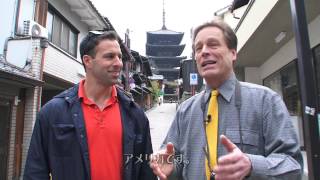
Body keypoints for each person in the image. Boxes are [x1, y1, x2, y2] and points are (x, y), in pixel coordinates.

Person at [150, 18, 303, 180]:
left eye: (213, 44)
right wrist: (169, 167)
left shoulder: (266, 101)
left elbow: (293, 166)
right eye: (198, 48)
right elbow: (176, 161)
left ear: (233, 53)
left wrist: (251, 165)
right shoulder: (185, 111)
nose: (204, 52)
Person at [24, 31, 157, 180]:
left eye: (119, 56)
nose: (119, 63)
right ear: (88, 61)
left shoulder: (134, 114)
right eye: (109, 56)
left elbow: (146, 172)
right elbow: (35, 171)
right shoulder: (53, 112)